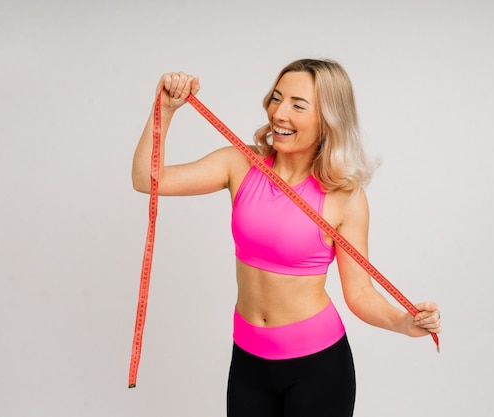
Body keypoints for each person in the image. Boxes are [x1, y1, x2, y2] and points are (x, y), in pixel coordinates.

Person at [132, 58, 441, 417]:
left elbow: (359, 294)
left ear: (328, 119)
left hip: (318, 369)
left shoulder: (345, 197)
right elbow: (147, 181)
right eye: (276, 98)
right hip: (248, 361)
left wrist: (402, 322)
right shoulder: (239, 164)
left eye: (298, 105)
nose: (279, 113)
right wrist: (165, 110)